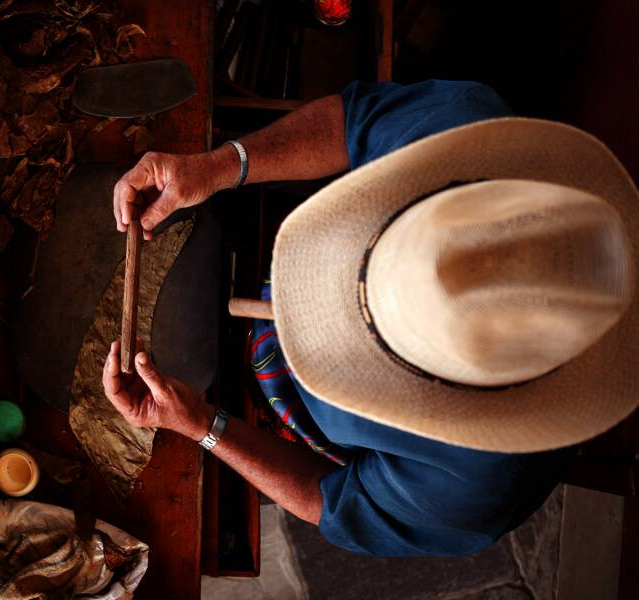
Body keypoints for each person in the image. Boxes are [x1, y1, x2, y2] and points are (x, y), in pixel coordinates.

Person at [101, 80, 639, 556]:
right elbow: (354, 124)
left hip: (284, 408)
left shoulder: (475, 490)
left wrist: (201, 424)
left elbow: (332, 501)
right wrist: (218, 166)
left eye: (375, 337)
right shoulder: (470, 139)